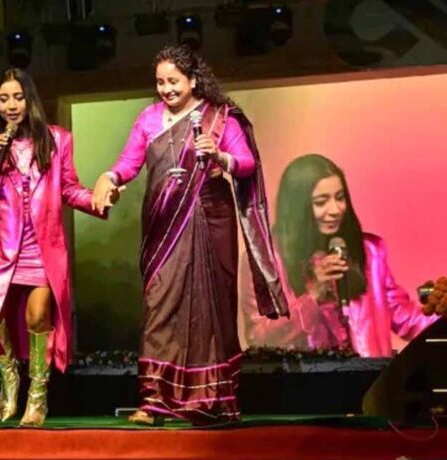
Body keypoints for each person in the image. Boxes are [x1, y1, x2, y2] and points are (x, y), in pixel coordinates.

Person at [91, 45, 288, 426]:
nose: (166, 89)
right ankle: (154, 402)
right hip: (163, 222)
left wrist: (219, 156)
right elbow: (129, 163)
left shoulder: (219, 118)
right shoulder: (149, 118)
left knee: (209, 308)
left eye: (174, 81)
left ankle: (211, 400)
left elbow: (247, 164)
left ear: (194, 80)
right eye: (160, 82)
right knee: (159, 304)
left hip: (211, 219)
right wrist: (110, 177)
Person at [0, 68, 107, 426]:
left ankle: (38, 395)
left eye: (18, 97)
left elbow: (69, 188)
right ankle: (9, 377)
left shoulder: (56, 139)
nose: (11, 105)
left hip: (40, 244)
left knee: (38, 316)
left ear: (30, 100)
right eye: (4, 98)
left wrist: (97, 200)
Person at [240, 154, 439, 356]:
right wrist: (312, 296)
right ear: (298, 207)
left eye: (340, 197)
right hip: (302, 374)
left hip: (368, 374)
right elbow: (260, 338)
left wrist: (441, 312)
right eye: (321, 202)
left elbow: (406, 318)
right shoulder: (264, 261)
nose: (335, 210)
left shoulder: (370, 251)